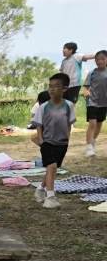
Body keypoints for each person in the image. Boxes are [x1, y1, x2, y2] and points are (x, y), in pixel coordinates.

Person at [33, 72, 76, 210]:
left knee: (53, 169)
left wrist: (67, 138)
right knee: (51, 167)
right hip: (47, 142)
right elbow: (38, 125)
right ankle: (50, 197)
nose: (52, 89)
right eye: (50, 86)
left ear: (64, 88)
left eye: (56, 86)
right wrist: (42, 141)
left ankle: (40, 189)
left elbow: (69, 124)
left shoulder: (69, 105)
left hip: (62, 143)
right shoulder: (43, 107)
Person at [82, 50, 107, 157]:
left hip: (104, 103)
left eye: (102, 59)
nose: (99, 61)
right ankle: (88, 147)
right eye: (97, 59)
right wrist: (86, 91)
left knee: (99, 124)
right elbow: (86, 86)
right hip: (92, 101)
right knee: (92, 124)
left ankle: (93, 142)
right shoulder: (92, 73)